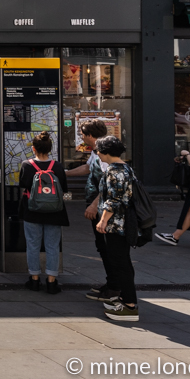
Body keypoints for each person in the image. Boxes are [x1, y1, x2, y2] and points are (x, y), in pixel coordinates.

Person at [66, 118, 112, 302]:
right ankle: (111, 282)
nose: (81, 137)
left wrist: (94, 204)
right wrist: (65, 173)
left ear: (90, 135)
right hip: (98, 205)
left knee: (107, 246)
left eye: (82, 134)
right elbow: (87, 168)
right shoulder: (96, 151)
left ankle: (114, 287)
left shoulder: (104, 154)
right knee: (102, 246)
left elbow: (109, 182)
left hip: (103, 208)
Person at [94, 136, 139, 321]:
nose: (97, 153)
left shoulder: (115, 171)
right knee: (123, 261)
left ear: (106, 152)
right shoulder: (126, 167)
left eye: (98, 150)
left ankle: (129, 305)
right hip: (123, 223)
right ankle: (125, 299)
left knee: (120, 262)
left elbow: (115, 199)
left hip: (117, 224)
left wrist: (103, 220)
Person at [18, 132, 69, 293]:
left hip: (32, 210)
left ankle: (34, 279)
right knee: (52, 246)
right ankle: (51, 282)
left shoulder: (27, 165)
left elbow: (23, 185)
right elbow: (64, 189)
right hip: (54, 211)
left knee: (32, 244)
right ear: (50, 149)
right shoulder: (57, 166)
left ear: (33, 148)